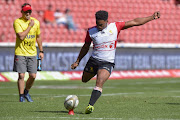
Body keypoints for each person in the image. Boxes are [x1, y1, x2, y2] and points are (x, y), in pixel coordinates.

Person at [71, 10, 160, 114]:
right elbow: (85, 47)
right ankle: (94, 79)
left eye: (101, 24)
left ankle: (90, 106)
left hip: (107, 62)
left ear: (106, 21)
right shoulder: (91, 31)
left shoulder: (115, 27)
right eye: (97, 24)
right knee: (84, 80)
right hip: (93, 61)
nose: (99, 26)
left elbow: (135, 22)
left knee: (99, 82)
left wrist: (151, 17)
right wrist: (77, 61)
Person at [13, 3, 44, 102]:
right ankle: (21, 96)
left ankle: (26, 92)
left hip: (32, 53)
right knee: (21, 75)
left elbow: (38, 37)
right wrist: (30, 27)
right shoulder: (17, 22)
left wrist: (41, 50)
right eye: (26, 11)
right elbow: (21, 37)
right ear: (21, 12)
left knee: (33, 76)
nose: (28, 13)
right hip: (20, 52)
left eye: (29, 11)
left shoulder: (36, 22)